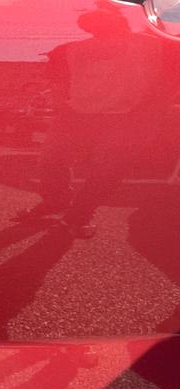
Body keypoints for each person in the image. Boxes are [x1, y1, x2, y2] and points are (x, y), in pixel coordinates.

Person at [14, 2, 174, 238]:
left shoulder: (154, 46)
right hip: (76, 115)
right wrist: (62, 105)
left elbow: (171, 77)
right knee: (52, 161)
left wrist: (152, 109)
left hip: (124, 118)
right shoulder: (72, 50)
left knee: (106, 170)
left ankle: (78, 217)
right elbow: (57, 79)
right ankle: (56, 203)